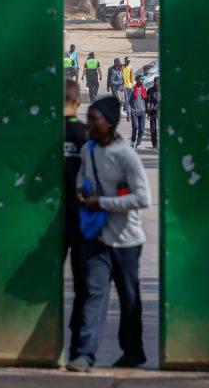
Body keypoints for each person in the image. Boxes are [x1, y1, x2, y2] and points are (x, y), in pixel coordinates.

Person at [67, 96, 150, 373]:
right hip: (97, 238)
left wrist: (102, 203)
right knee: (93, 294)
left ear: (110, 123)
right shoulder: (89, 150)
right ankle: (84, 355)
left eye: (94, 119)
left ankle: (133, 351)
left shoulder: (127, 156)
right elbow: (83, 177)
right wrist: (82, 191)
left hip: (127, 240)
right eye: (88, 118)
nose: (89, 124)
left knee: (129, 298)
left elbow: (142, 198)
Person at [64, 79, 87, 360]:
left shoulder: (47, 134)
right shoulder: (85, 136)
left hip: (50, 221)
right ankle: (78, 350)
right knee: (83, 287)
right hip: (82, 219)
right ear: (79, 101)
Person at [129, 75, 148, 149]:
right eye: (140, 79)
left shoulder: (144, 89)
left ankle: (138, 144)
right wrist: (129, 111)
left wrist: (147, 111)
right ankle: (133, 141)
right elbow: (128, 101)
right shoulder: (132, 89)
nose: (142, 80)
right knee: (135, 127)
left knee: (142, 129)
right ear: (136, 80)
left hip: (143, 112)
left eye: (143, 79)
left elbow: (146, 100)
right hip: (134, 111)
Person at [146, 77, 159, 148]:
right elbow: (146, 99)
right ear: (154, 82)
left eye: (159, 81)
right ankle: (154, 144)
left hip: (160, 112)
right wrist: (147, 109)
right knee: (153, 129)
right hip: (153, 112)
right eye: (157, 81)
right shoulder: (150, 90)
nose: (158, 83)